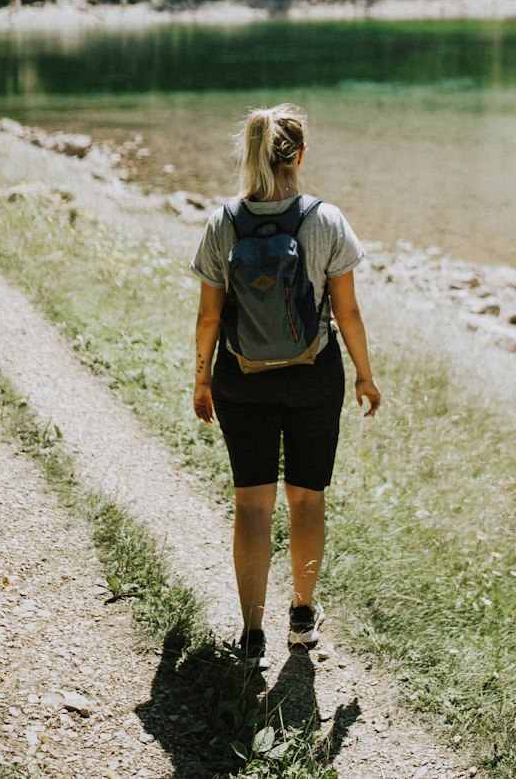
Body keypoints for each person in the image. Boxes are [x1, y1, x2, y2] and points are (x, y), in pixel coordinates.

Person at [192, 103, 380, 668]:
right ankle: (302, 612)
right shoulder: (326, 220)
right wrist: (366, 377)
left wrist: (201, 380)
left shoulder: (223, 222)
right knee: (306, 498)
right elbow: (346, 313)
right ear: (299, 156)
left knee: (252, 504)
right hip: (312, 378)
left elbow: (208, 317)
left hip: (241, 379)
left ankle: (251, 635)